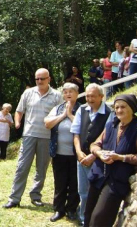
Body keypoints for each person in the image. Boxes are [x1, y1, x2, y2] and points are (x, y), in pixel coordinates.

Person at [84, 94, 137, 227]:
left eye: (123, 107)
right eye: (117, 107)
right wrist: (99, 153)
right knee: (88, 214)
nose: (119, 110)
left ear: (132, 108)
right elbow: (95, 144)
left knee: (99, 219)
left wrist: (121, 157)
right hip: (99, 175)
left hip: (116, 181)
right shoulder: (111, 125)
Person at [4, 68, 61, 209]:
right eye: (37, 79)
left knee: (41, 169)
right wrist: (17, 122)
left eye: (42, 78)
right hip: (29, 134)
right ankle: (15, 198)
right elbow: (19, 111)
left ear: (49, 79)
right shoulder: (28, 93)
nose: (40, 81)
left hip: (47, 136)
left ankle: (36, 196)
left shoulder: (56, 96)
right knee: (22, 167)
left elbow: (61, 114)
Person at [70, 83, 111, 227]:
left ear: (101, 96)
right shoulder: (82, 109)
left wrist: (93, 156)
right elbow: (75, 133)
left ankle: (93, 219)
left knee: (95, 191)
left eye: (93, 96)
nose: (89, 99)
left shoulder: (109, 113)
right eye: (87, 95)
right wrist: (79, 152)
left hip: (98, 159)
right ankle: (83, 219)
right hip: (81, 158)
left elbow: (108, 139)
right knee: (83, 191)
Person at [44, 83, 80, 223]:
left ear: (77, 93)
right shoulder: (57, 108)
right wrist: (63, 115)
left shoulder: (82, 109)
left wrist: (70, 115)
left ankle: (71, 209)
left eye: (71, 92)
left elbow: (84, 127)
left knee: (74, 183)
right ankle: (59, 209)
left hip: (76, 154)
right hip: (59, 153)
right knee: (60, 182)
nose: (68, 94)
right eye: (65, 92)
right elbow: (47, 124)